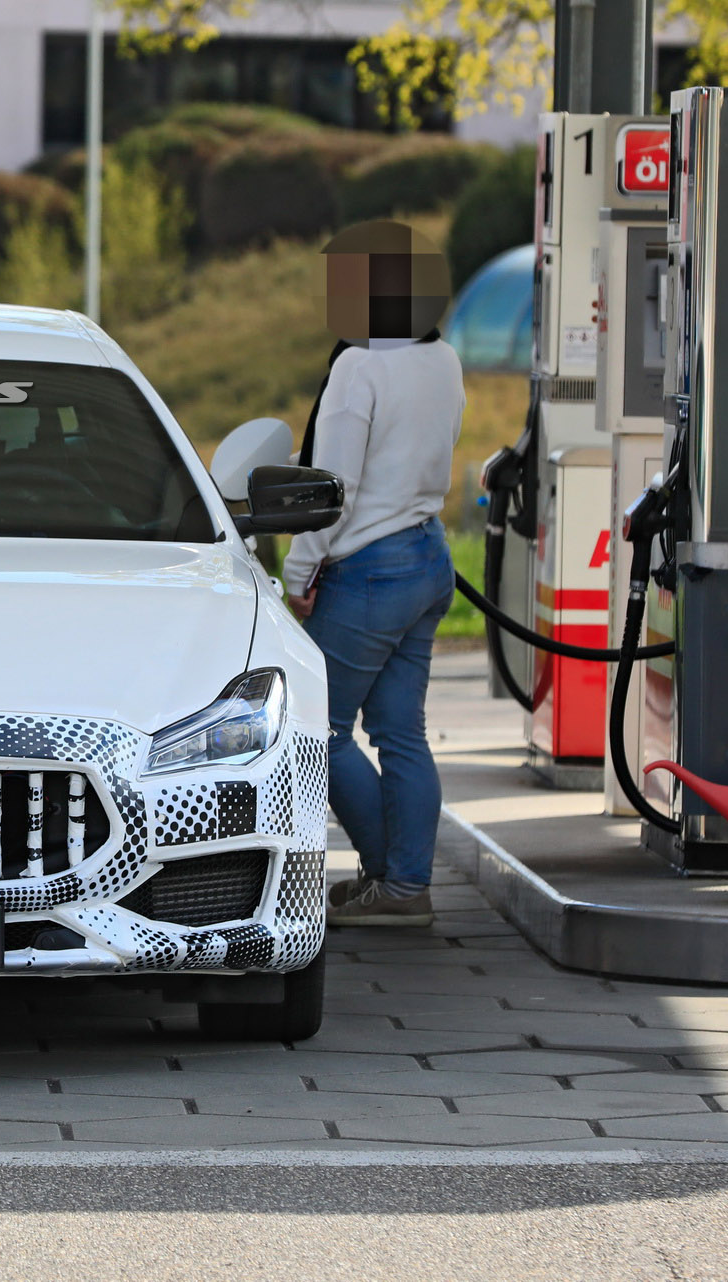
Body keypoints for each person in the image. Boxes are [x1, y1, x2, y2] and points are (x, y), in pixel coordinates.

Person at [285, 221, 465, 928]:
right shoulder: (442, 359)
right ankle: (404, 888)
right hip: (427, 554)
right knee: (402, 734)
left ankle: (391, 874)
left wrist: (299, 572)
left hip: (368, 570)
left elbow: (334, 489)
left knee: (316, 731)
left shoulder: (360, 367)